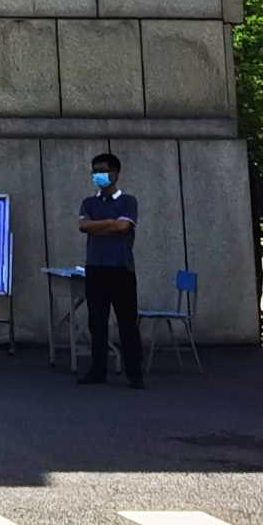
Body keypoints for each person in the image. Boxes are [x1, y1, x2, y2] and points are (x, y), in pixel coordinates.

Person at [75, 152, 144, 387]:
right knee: (96, 322)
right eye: (95, 172)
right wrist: (111, 224)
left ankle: (134, 373)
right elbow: (84, 226)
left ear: (115, 173)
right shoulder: (89, 202)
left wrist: (101, 226)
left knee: (127, 322)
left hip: (121, 268)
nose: (98, 176)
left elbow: (124, 226)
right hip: (95, 268)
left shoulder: (128, 201)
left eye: (103, 171)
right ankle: (98, 370)